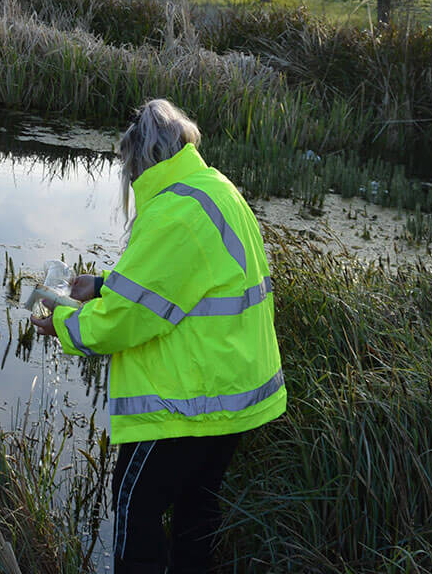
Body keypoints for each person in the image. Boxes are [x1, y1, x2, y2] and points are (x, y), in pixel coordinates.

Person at [32, 99, 285, 574]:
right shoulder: (214, 188)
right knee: (196, 514)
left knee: (135, 510)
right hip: (231, 397)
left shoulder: (173, 212)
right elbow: (186, 282)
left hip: (185, 403)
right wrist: (102, 284)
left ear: (141, 160)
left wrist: (61, 323)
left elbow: (125, 320)